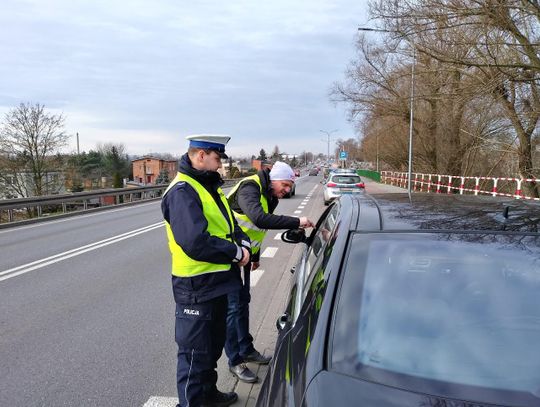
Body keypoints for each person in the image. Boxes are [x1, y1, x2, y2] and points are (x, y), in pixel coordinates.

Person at [161, 134, 251, 407]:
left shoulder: (209, 187)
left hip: (218, 281)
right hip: (195, 285)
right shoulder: (182, 191)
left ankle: (208, 396)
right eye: (216, 158)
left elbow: (228, 224)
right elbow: (194, 242)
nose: (220, 164)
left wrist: (242, 241)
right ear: (200, 156)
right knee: (194, 355)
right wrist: (235, 253)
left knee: (211, 348)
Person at [225, 161, 315, 382]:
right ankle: (235, 361)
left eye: (288, 186)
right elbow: (258, 218)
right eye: (284, 185)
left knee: (242, 303)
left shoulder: (270, 195)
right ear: (274, 179)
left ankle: (246, 349)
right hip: (228, 255)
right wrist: (297, 221)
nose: (287, 190)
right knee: (233, 308)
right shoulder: (250, 187)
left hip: (244, 256)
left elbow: (257, 230)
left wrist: (255, 256)